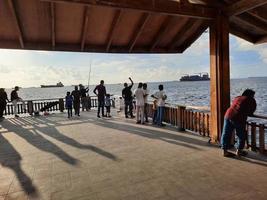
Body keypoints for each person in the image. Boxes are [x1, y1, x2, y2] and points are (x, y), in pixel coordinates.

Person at [221, 89, 257, 157]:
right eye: (253, 95)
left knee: (226, 133)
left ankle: (224, 151)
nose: (253, 96)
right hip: (238, 118)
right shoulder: (250, 99)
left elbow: (235, 106)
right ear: (251, 95)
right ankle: (239, 151)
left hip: (228, 115)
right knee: (241, 135)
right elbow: (252, 110)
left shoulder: (237, 97)